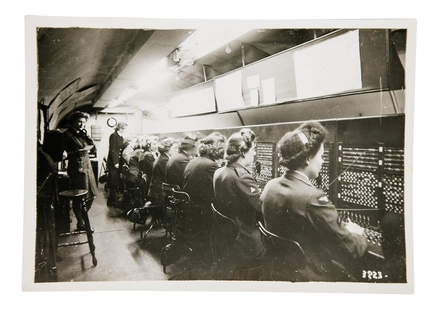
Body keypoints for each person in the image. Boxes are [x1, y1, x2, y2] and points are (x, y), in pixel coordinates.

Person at [261, 121, 368, 282]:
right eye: (322, 156)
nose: (324, 161)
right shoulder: (313, 198)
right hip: (310, 276)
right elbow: (350, 249)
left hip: (277, 271)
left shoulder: (270, 186)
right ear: (308, 159)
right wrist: (358, 234)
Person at [213, 128, 265, 267]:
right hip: (247, 240)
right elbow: (262, 206)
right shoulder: (242, 177)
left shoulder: (218, 172)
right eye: (253, 150)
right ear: (243, 152)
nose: (254, 154)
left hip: (227, 237)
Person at [182, 131, 226, 242]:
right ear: (217, 148)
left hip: (190, 210)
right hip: (201, 213)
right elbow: (219, 190)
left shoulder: (194, 161)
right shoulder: (211, 165)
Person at [61, 111, 98, 230]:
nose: (82, 124)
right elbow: (64, 155)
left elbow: (92, 146)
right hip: (77, 169)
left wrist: (86, 135)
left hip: (87, 167)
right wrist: (78, 152)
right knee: (80, 196)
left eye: (84, 122)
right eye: (79, 122)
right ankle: (81, 222)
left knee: (91, 195)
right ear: (73, 122)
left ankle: (83, 219)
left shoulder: (82, 134)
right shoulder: (66, 135)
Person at [147, 137, 179, 205]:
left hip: (156, 191)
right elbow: (170, 177)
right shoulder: (165, 160)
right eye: (174, 148)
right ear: (168, 149)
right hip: (159, 193)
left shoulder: (162, 157)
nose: (176, 150)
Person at [107, 122, 127, 207]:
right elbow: (113, 149)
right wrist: (115, 162)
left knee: (117, 182)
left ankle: (115, 200)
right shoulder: (113, 136)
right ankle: (111, 201)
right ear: (120, 128)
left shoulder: (121, 136)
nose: (125, 130)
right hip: (114, 162)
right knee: (113, 182)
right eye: (124, 128)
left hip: (118, 162)